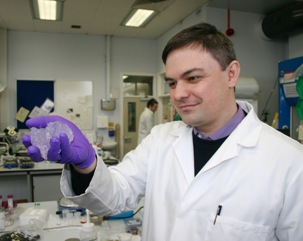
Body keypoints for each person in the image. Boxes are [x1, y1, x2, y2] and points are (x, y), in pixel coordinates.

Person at [22, 22, 303, 241]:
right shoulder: (160, 139)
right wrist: (86, 166)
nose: (179, 94)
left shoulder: (290, 162)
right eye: (172, 82)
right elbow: (115, 197)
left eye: (192, 78)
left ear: (231, 74)